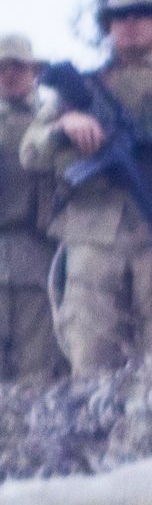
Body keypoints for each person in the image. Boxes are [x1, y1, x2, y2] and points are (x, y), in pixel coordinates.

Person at [20, 0, 152, 375]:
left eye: (142, 14)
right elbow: (30, 153)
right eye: (119, 17)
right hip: (92, 237)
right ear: (108, 26)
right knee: (91, 356)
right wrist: (63, 127)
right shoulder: (81, 89)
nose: (130, 23)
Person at [0, 34, 63, 381]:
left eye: (18, 67)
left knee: (37, 369)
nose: (9, 74)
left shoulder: (54, 120)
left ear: (35, 71)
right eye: (2, 67)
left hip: (38, 249)